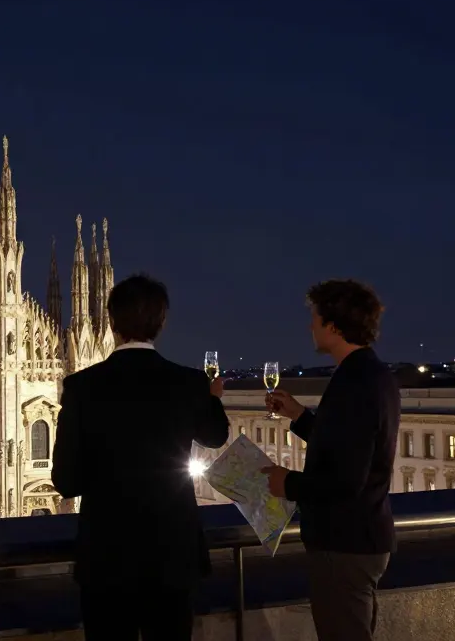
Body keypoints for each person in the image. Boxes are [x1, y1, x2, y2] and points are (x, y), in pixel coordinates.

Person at [52, 274, 230, 640]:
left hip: (106, 561)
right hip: (172, 558)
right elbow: (216, 437)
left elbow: (65, 481)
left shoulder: (82, 387)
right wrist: (211, 397)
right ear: (161, 323)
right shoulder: (189, 383)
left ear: (112, 322)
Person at [259, 279, 400, 641]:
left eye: (316, 319)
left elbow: (345, 480)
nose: (311, 326)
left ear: (335, 326)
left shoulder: (354, 383)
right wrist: (300, 417)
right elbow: (348, 446)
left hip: (345, 543)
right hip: (362, 537)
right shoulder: (372, 374)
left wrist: (286, 483)